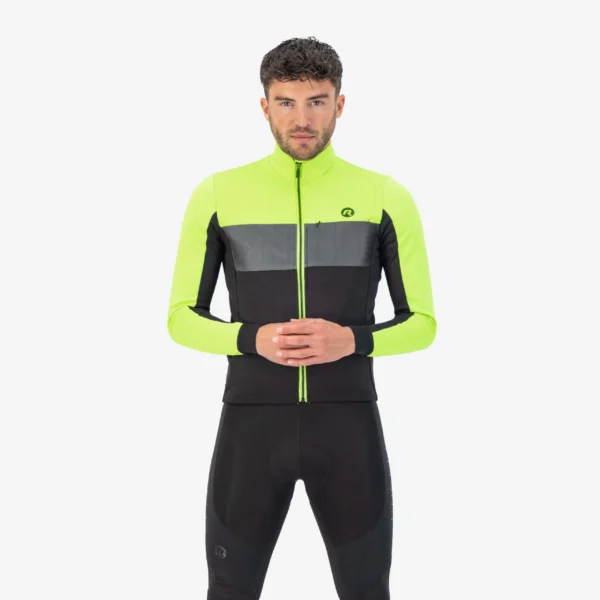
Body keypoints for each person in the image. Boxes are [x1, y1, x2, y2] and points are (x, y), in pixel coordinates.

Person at [167, 36, 436, 600]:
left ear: (340, 104)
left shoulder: (384, 196)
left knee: (367, 590)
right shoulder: (217, 194)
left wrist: (352, 341)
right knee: (229, 589)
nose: (302, 119)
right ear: (264, 106)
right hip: (250, 427)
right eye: (286, 102)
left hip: (348, 425)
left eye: (317, 101)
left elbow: (421, 323)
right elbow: (181, 318)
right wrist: (251, 337)